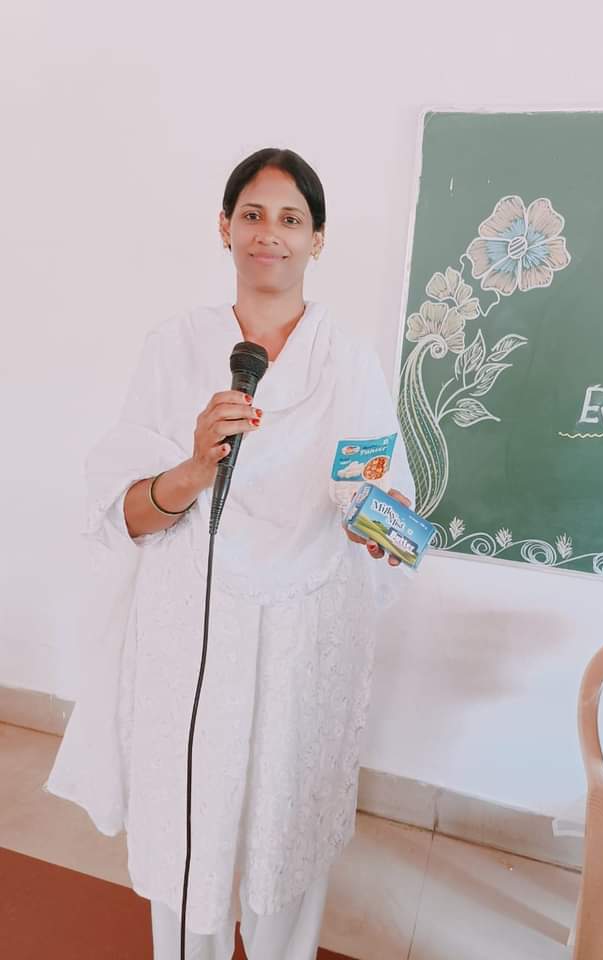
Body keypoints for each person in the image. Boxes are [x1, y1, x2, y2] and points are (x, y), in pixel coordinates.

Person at [46, 148, 414, 960]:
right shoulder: (175, 347)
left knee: (287, 819)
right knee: (192, 820)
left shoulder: (348, 359)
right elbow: (128, 515)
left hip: (306, 633)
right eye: (252, 214)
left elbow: (382, 506)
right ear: (224, 228)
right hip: (192, 629)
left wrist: (381, 530)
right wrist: (194, 466)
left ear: (318, 240)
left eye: (290, 219)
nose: (268, 234)